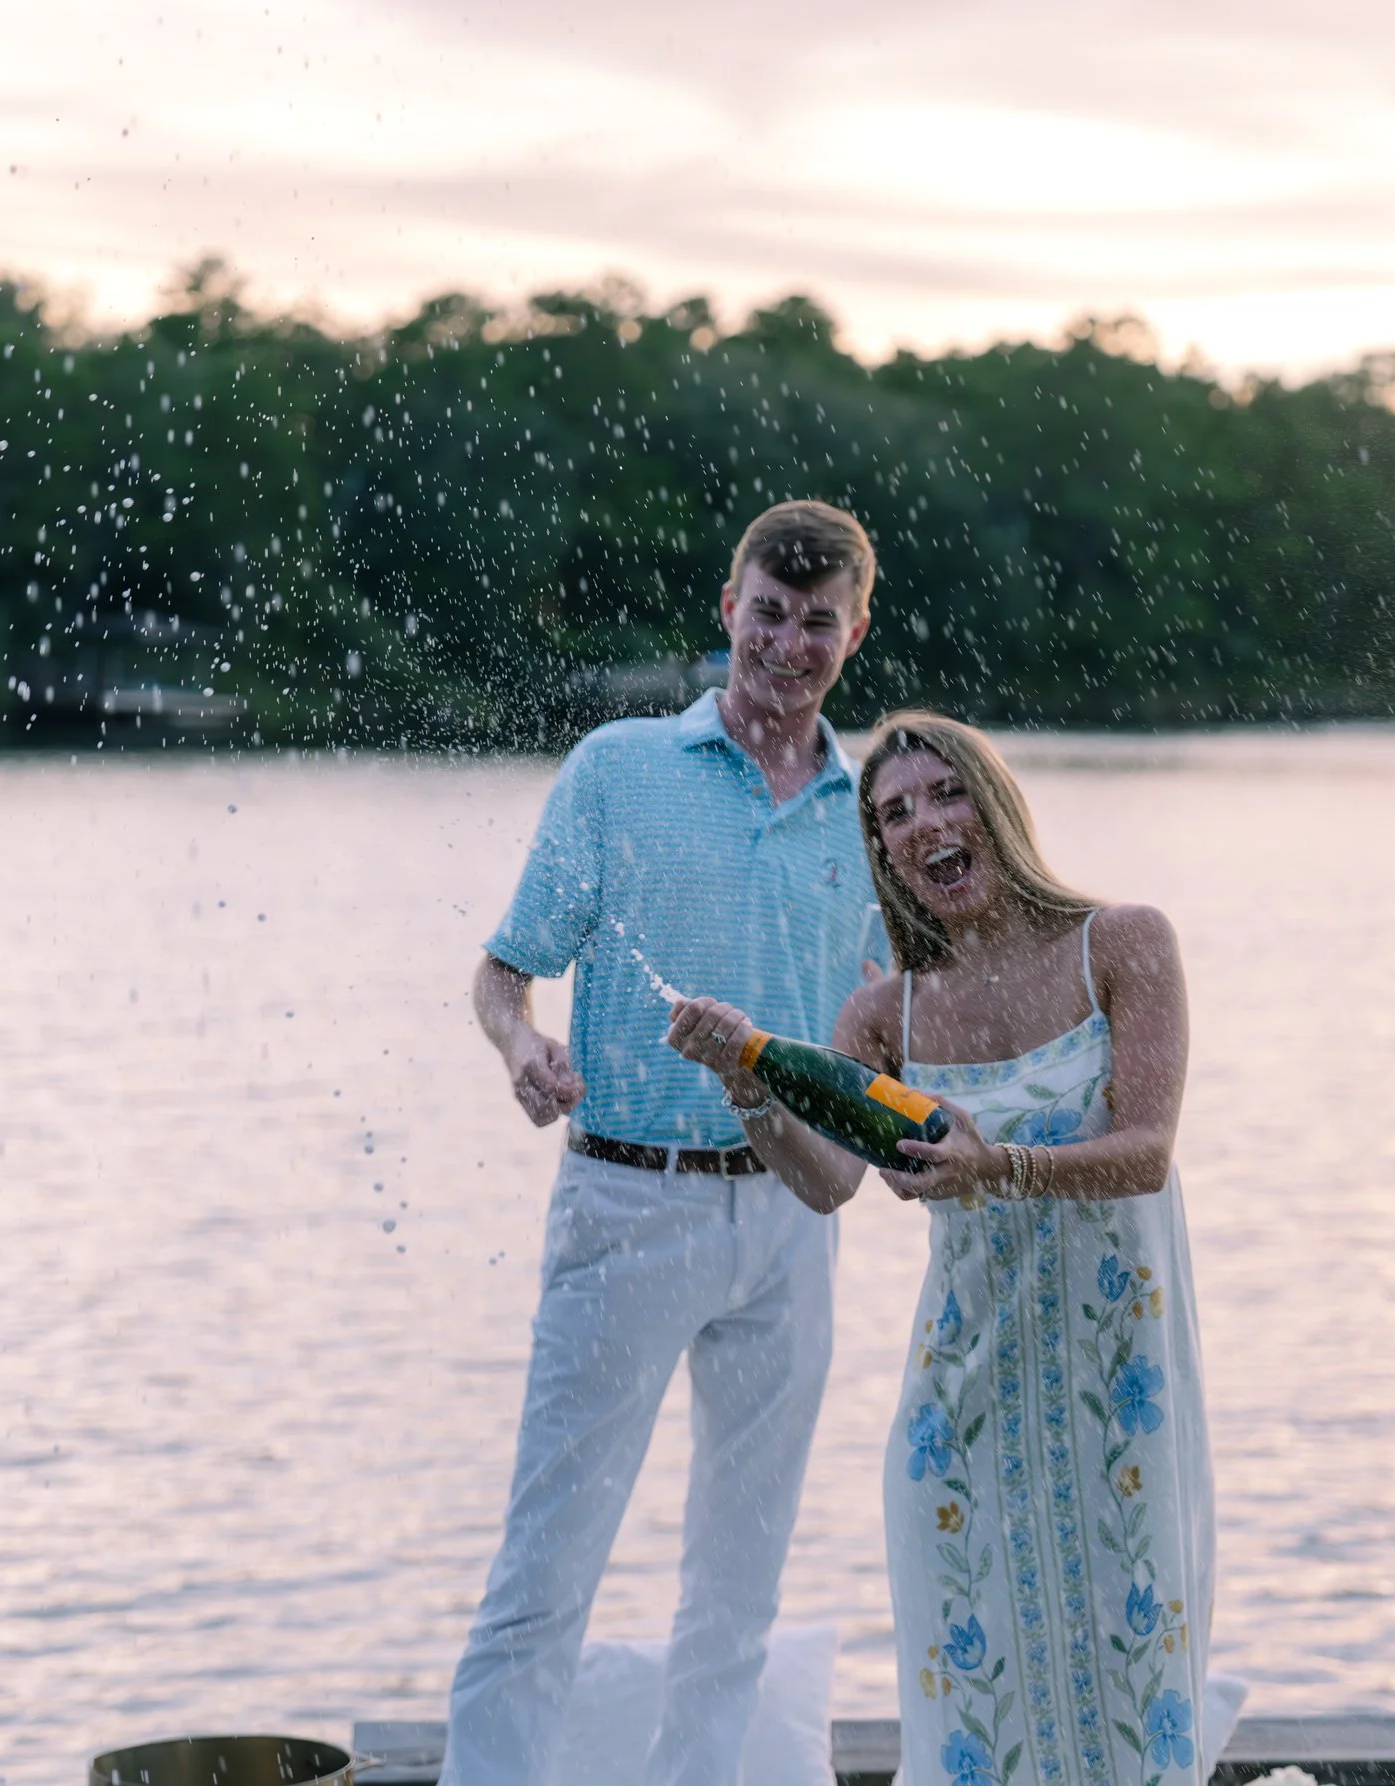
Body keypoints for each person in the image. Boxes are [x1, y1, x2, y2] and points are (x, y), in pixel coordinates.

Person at [665, 710, 1215, 1786]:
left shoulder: (1124, 943)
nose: (924, 826)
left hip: (1121, 1401)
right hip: (959, 1419)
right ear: (882, 855)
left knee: (1136, 1693)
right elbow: (827, 1184)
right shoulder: (885, 1015)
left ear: (996, 805)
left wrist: (993, 1169)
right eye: (893, 815)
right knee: (978, 1721)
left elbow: (1144, 1152)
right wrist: (747, 1083)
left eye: (944, 794)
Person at [444, 500, 887, 1786]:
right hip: (628, 1204)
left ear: (853, 634)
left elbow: (885, 1043)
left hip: (793, 1221)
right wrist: (523, 1050)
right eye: (768, 609)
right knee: (545, 1577)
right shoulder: (618, 768)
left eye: (817, 622)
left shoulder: (874, 813)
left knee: (735, 1596)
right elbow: (501, 974)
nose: (787, 643)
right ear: (726, 604)